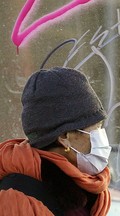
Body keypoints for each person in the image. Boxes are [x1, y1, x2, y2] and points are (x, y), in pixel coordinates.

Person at [0, 67, 111, 215]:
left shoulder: (86, 192)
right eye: (95, 128)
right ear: (65, 137)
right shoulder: (19, 198)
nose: (101, 136)